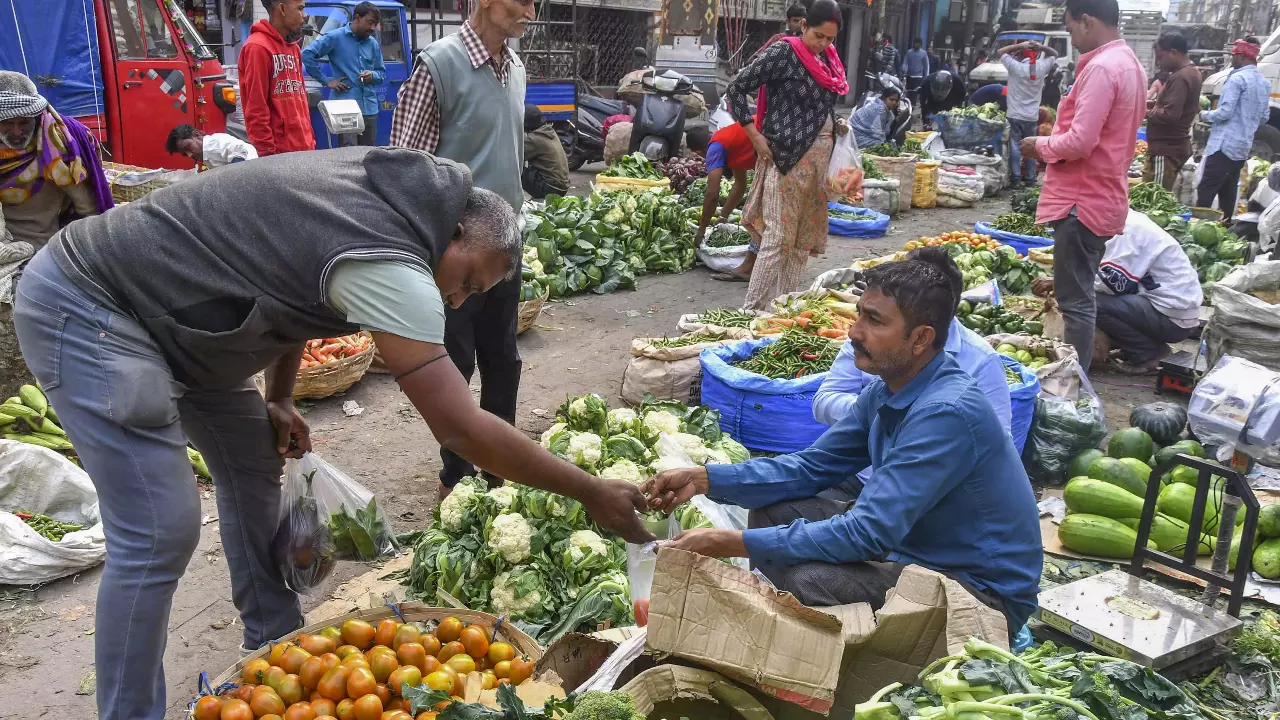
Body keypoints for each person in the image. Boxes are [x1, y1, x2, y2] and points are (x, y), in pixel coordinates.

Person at [13, 148, 654, 720]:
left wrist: (282, 395)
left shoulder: (397, 200)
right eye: (467, 282)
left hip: (188, 327)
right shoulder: (392, 257)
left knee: (253, 464)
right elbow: (460, 427)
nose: (459, 302)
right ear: (455, 233)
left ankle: (272, 651)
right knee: (159, 530)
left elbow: (294, 280)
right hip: (92, 306)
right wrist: (589, 489)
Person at [641, 257, 1042, 636]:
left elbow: (867, 533)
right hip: (916, 551)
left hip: (982, 594)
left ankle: (860, 673)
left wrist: (731, 542)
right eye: (859, 315)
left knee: (807, 580)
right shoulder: (889, 389)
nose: (854, 332)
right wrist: (706, 478)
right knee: (772, 510)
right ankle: (821, 631)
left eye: (874, 321)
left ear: (920, 338)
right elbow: (810, 468)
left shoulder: (945, 412)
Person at [391, 0, 533, 498]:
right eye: (525, 1)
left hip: (503, 247)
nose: (531, 13)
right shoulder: (439, 65)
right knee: (454, 362)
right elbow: (405, 168)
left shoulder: (515, 68)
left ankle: (500, 466)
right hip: (456, 254)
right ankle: (457, 475)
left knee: (503, 360)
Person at [1020, 0, 1145, 374]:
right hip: (1100, 196)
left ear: (1088, 22)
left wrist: (1038, 145)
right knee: (1081, 297)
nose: (1072, 38)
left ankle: (1070, 386)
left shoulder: (1104, 69)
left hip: (1082, 201)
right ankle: (1075, 382)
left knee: (1075, 303)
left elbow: (1079, 142)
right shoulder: (1129, 64)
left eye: (1072, 29)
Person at [724, 0, 849, 311]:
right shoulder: (784, 52)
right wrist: (754, 136)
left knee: (800, 240)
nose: (823, 44)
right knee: (778, 237)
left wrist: (835, 123)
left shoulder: (829, 61)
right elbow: (736, 88)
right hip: (786, 156)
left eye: (830, 39)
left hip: (817, 161)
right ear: (803, 25)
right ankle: (751, 311)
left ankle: (783, 309)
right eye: (818, 36)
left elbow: (818, 102)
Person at [1034, 210, 1201, 372]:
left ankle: (1147, 354)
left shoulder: (1128, 232)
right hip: (1164, 308)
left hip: (1173, 317)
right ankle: (1135, 345)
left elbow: (1112, 284)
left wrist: (1062, 282)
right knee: (1088, 298)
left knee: (1084, 302)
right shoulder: (1121, 220)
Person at [0, 71, 112, 248]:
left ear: (36, 118)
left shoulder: (55, 144)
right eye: (7, 122)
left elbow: (88, 209)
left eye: (24, 123)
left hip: (40, 248)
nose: (16, 132)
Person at [1197, 37, 1270, 219]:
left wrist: (1203, 114)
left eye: (1234, 55)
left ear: (1244, 57)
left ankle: (1197, 225)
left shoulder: (1237, 79)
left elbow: (1225, 113)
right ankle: (1226, 225)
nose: (1232, 59)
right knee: (1228, 190)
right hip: (1242, 147)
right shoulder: (1264, 83)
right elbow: (1264, 117)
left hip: (1224, 145)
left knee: (1207, 189)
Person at [301, 1, 387, 147]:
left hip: (369, 109)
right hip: (346, 109)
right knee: (349, 156)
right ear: (358, 18)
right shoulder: (335, 37)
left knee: (369, 154)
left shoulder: (373, 44)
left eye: (375, 24)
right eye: (370, 23)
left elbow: (381, 74)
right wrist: (326, 81)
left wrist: (372, 75)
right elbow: (307, 55)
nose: (373, 28)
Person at [238, 0, 315, 156]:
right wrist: (267, 155)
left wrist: (310, 141)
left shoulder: (294, 47)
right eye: (300, 9)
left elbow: (300, 100)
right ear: (282, 9)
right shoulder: (257, 48)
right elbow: (256, 108)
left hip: (304, 150)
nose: (304, 16)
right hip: (279, 156)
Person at [688, 123, 758, 280]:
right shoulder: (728, 139)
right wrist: (723, 217)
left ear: (699, 152)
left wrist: (701, 231)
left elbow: (712, 194)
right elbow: (740, 185)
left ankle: (748, 268)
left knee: (759, 216)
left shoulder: (715, 147)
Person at [1145, 32, 1202, 191]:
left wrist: (1143, 113)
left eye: (1160, 57)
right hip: (1172, 147)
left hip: (1166, 149)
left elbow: (1171, 114)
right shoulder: (1191, 72)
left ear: (1173, 53)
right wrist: (1149, 105)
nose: (1158, 63)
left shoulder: (1181, 77)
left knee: (1153, 199)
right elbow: (1172, 106)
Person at [997, 40, 1057, 186]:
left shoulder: (1015, 66)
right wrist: (1041, 47)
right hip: (1031, 116)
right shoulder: (1042, 67)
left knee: (1015, 147)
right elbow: (1054, 54)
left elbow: (1000, 52)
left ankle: (1016, 179)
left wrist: (1019, 45)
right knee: (1031, 147)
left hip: (1014, 114)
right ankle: (1030, 179)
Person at [521, 104, 570, 199]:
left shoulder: (535, 139)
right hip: (561, 187)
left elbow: (514, 154)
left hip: (550, 189)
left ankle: (510, 199)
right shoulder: (548, 131)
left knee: (515, 167)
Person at [165, 124, 259, 169]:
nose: (190, 155)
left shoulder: (213, 144)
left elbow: (243, 152)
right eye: (185, 154)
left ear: (196, 135)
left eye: (188, 147)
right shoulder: (205, 153)